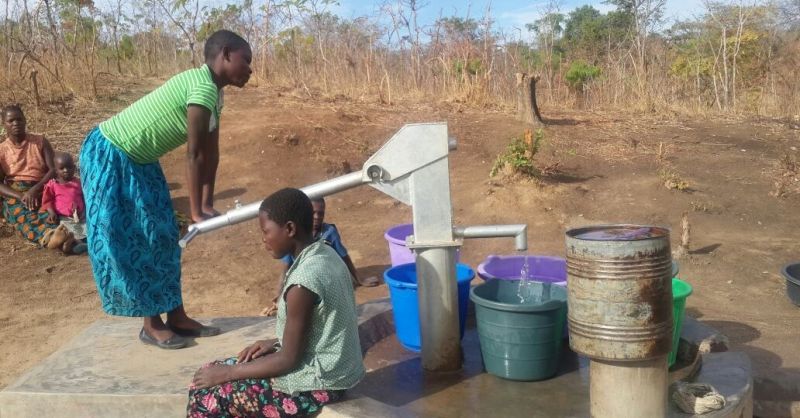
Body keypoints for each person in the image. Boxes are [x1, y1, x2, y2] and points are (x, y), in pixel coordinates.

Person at [79, 29, 252, 349]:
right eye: (246, 60)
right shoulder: (200, 85)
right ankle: (151, 324)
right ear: (226, 54)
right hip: (111, 152)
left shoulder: (215, 95)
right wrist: (197, 210)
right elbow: (194, 153)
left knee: (163, 234)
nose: (250, 69)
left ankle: (177, 316)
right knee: (139, 236)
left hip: (141, 161)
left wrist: (207, 203)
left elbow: (212, 153)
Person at [188, 188, 365, 417]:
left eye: (266, 231)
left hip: (319, 383)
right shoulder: (325, 253)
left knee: (207, 395)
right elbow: (324, 324)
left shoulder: (303, 283)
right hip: (339, 369)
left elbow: (288, 360)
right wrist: (277, 341)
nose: (263, 239)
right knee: (208, 372)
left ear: (290, 229)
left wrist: (229, 373)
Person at [262, 197, 379, 316]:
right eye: (313, 213)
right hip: (303, 278)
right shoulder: (295, 234)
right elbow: (286, 267)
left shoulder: (329, 232)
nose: (317, 217)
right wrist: (279, 294)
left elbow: (344, 256)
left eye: (321, 213)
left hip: (324, 277)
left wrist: (359, 279)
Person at [0, 104, 59, 245]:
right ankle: (50, 238)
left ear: (25, 120)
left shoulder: (40, 141)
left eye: (19, 119)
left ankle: (62, 236)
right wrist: (21, 196)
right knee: (23, 215)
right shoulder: (2, 150)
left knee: (50, 213)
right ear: (4, 124)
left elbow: (53, 170)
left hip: (42, 186)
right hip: (16, 192)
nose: (16, 123)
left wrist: (34, 190)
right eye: (11, 121)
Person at [40, 152, 87, 254]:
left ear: (74, 168)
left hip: (80, 217)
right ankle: (70, 245)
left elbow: (84, 198)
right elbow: (48, 200)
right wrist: (51, 212)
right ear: (56, 170)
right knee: (67, 232)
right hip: (64, 218)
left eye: (69, 167)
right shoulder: (53, 185)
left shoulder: (78, 183)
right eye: (62, 168)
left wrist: (85, 211)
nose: (66, 170)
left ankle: (74, 246)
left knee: (86, 231)